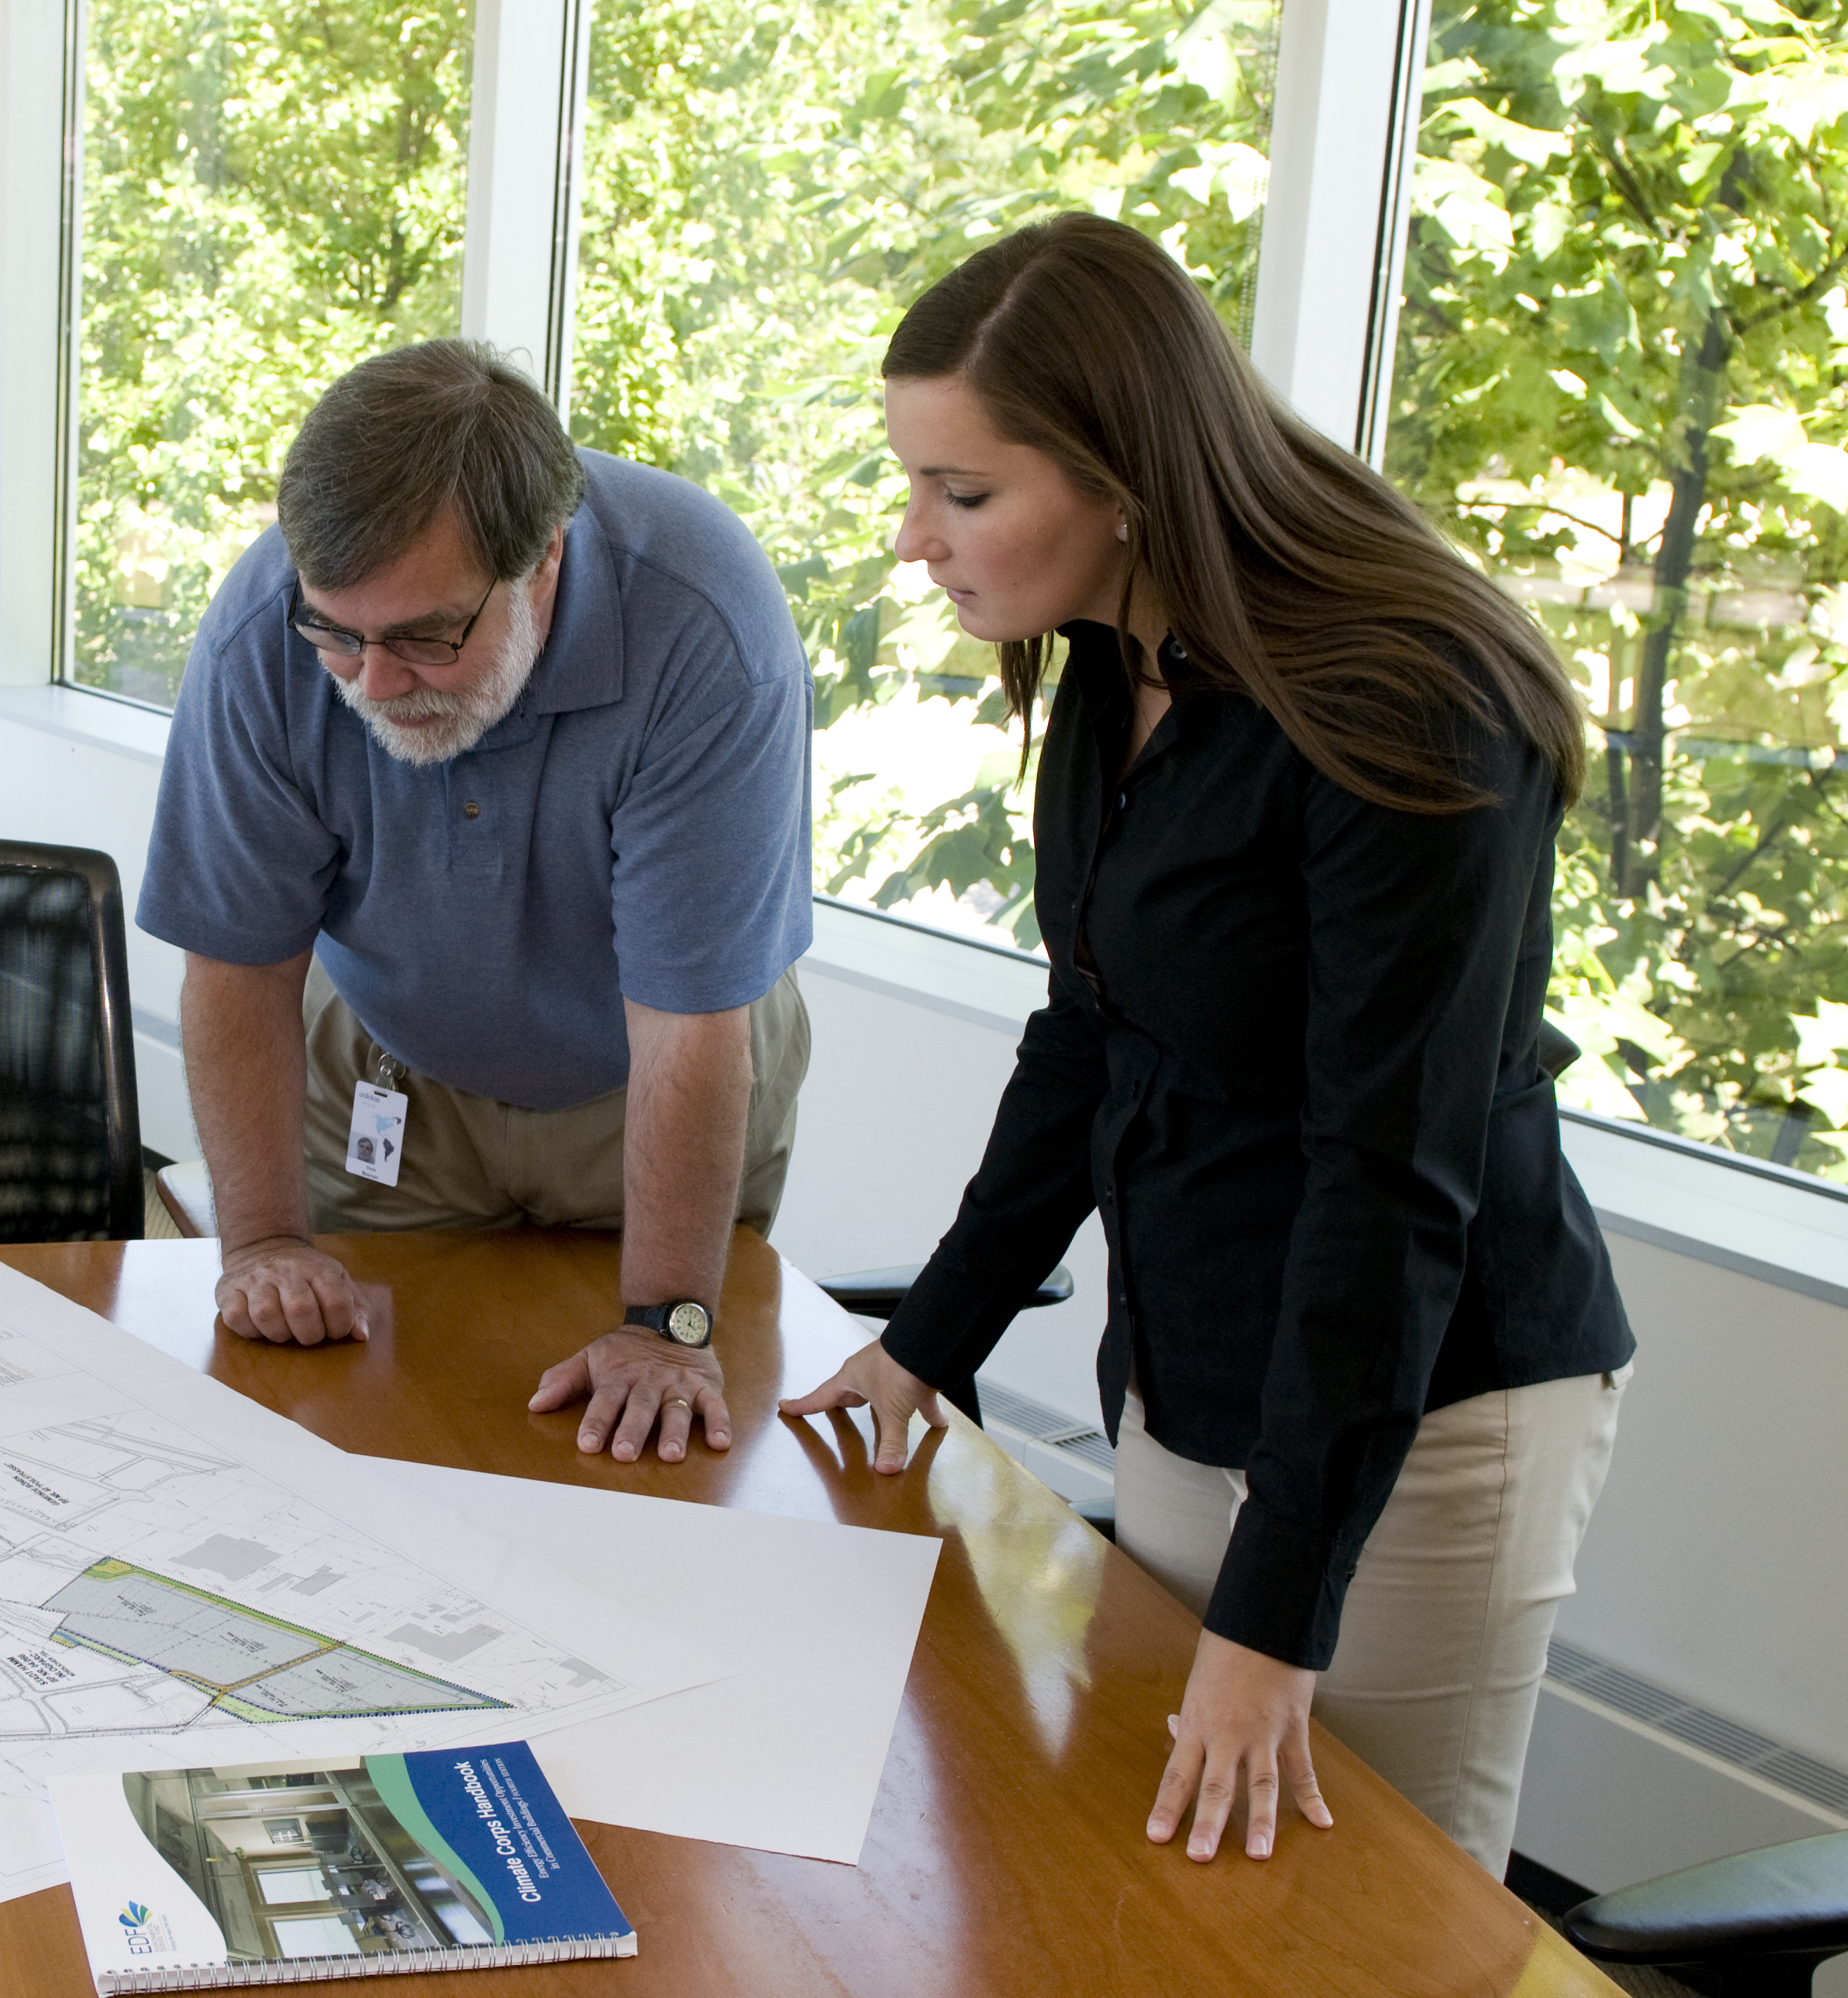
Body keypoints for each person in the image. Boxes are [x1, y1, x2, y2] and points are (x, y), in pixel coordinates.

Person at [782, 213, 1635, 1878]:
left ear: (1121, 474)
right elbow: (1090, 1033)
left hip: (1418, 1423)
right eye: (915, 486)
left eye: (961, 493)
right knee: (1160, 1874)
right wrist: (927, 1341)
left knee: (1361, 1920)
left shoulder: (1405, 696)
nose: (912, 538)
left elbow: (1382, 1175)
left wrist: (1274, 1611)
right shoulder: (1116, 665)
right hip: (1189, 1377)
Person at [138, 339, 813, 1466]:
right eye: (339, 636)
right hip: (388, 1071)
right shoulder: (266, 627)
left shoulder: (704, 625)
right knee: (366, 1428)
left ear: (542, 559)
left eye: (424, 637)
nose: (372, 682)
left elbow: (692, 1037)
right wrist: (258, 1242)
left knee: (645, 1438)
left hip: (652, 1076)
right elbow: (238, 965)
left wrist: (667, 1327)